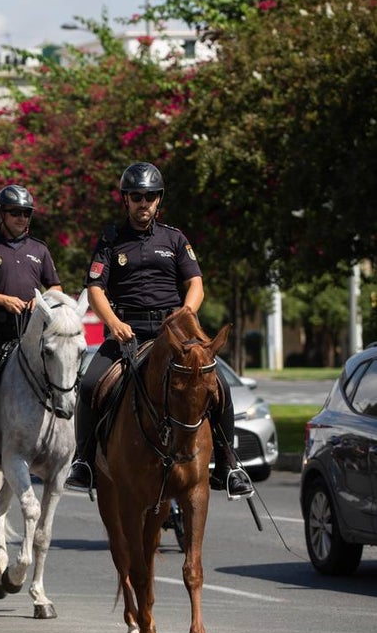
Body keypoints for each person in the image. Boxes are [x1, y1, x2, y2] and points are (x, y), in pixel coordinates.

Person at [65, 162, 254, 498]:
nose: (144, 203)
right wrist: (113, 323)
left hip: (174, 332)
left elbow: (195, 282)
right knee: (91, 384)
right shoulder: (111, 240)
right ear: (125, 199)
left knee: (218, 383)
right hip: (127, 331)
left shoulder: (175, 238)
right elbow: (95, 289)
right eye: (136, 196)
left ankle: (230, 464)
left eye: (150, 196)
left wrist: (187, 311)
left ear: (158, 200)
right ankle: (84, 461)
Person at [0, 184, 62, 399]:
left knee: (63, 373)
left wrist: (43, 299)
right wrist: (3, 300)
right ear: (1, 215)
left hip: (31, 330)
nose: (21, 218)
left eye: (26, 213)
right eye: (15, 212)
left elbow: (56, 287)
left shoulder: (39, 249)